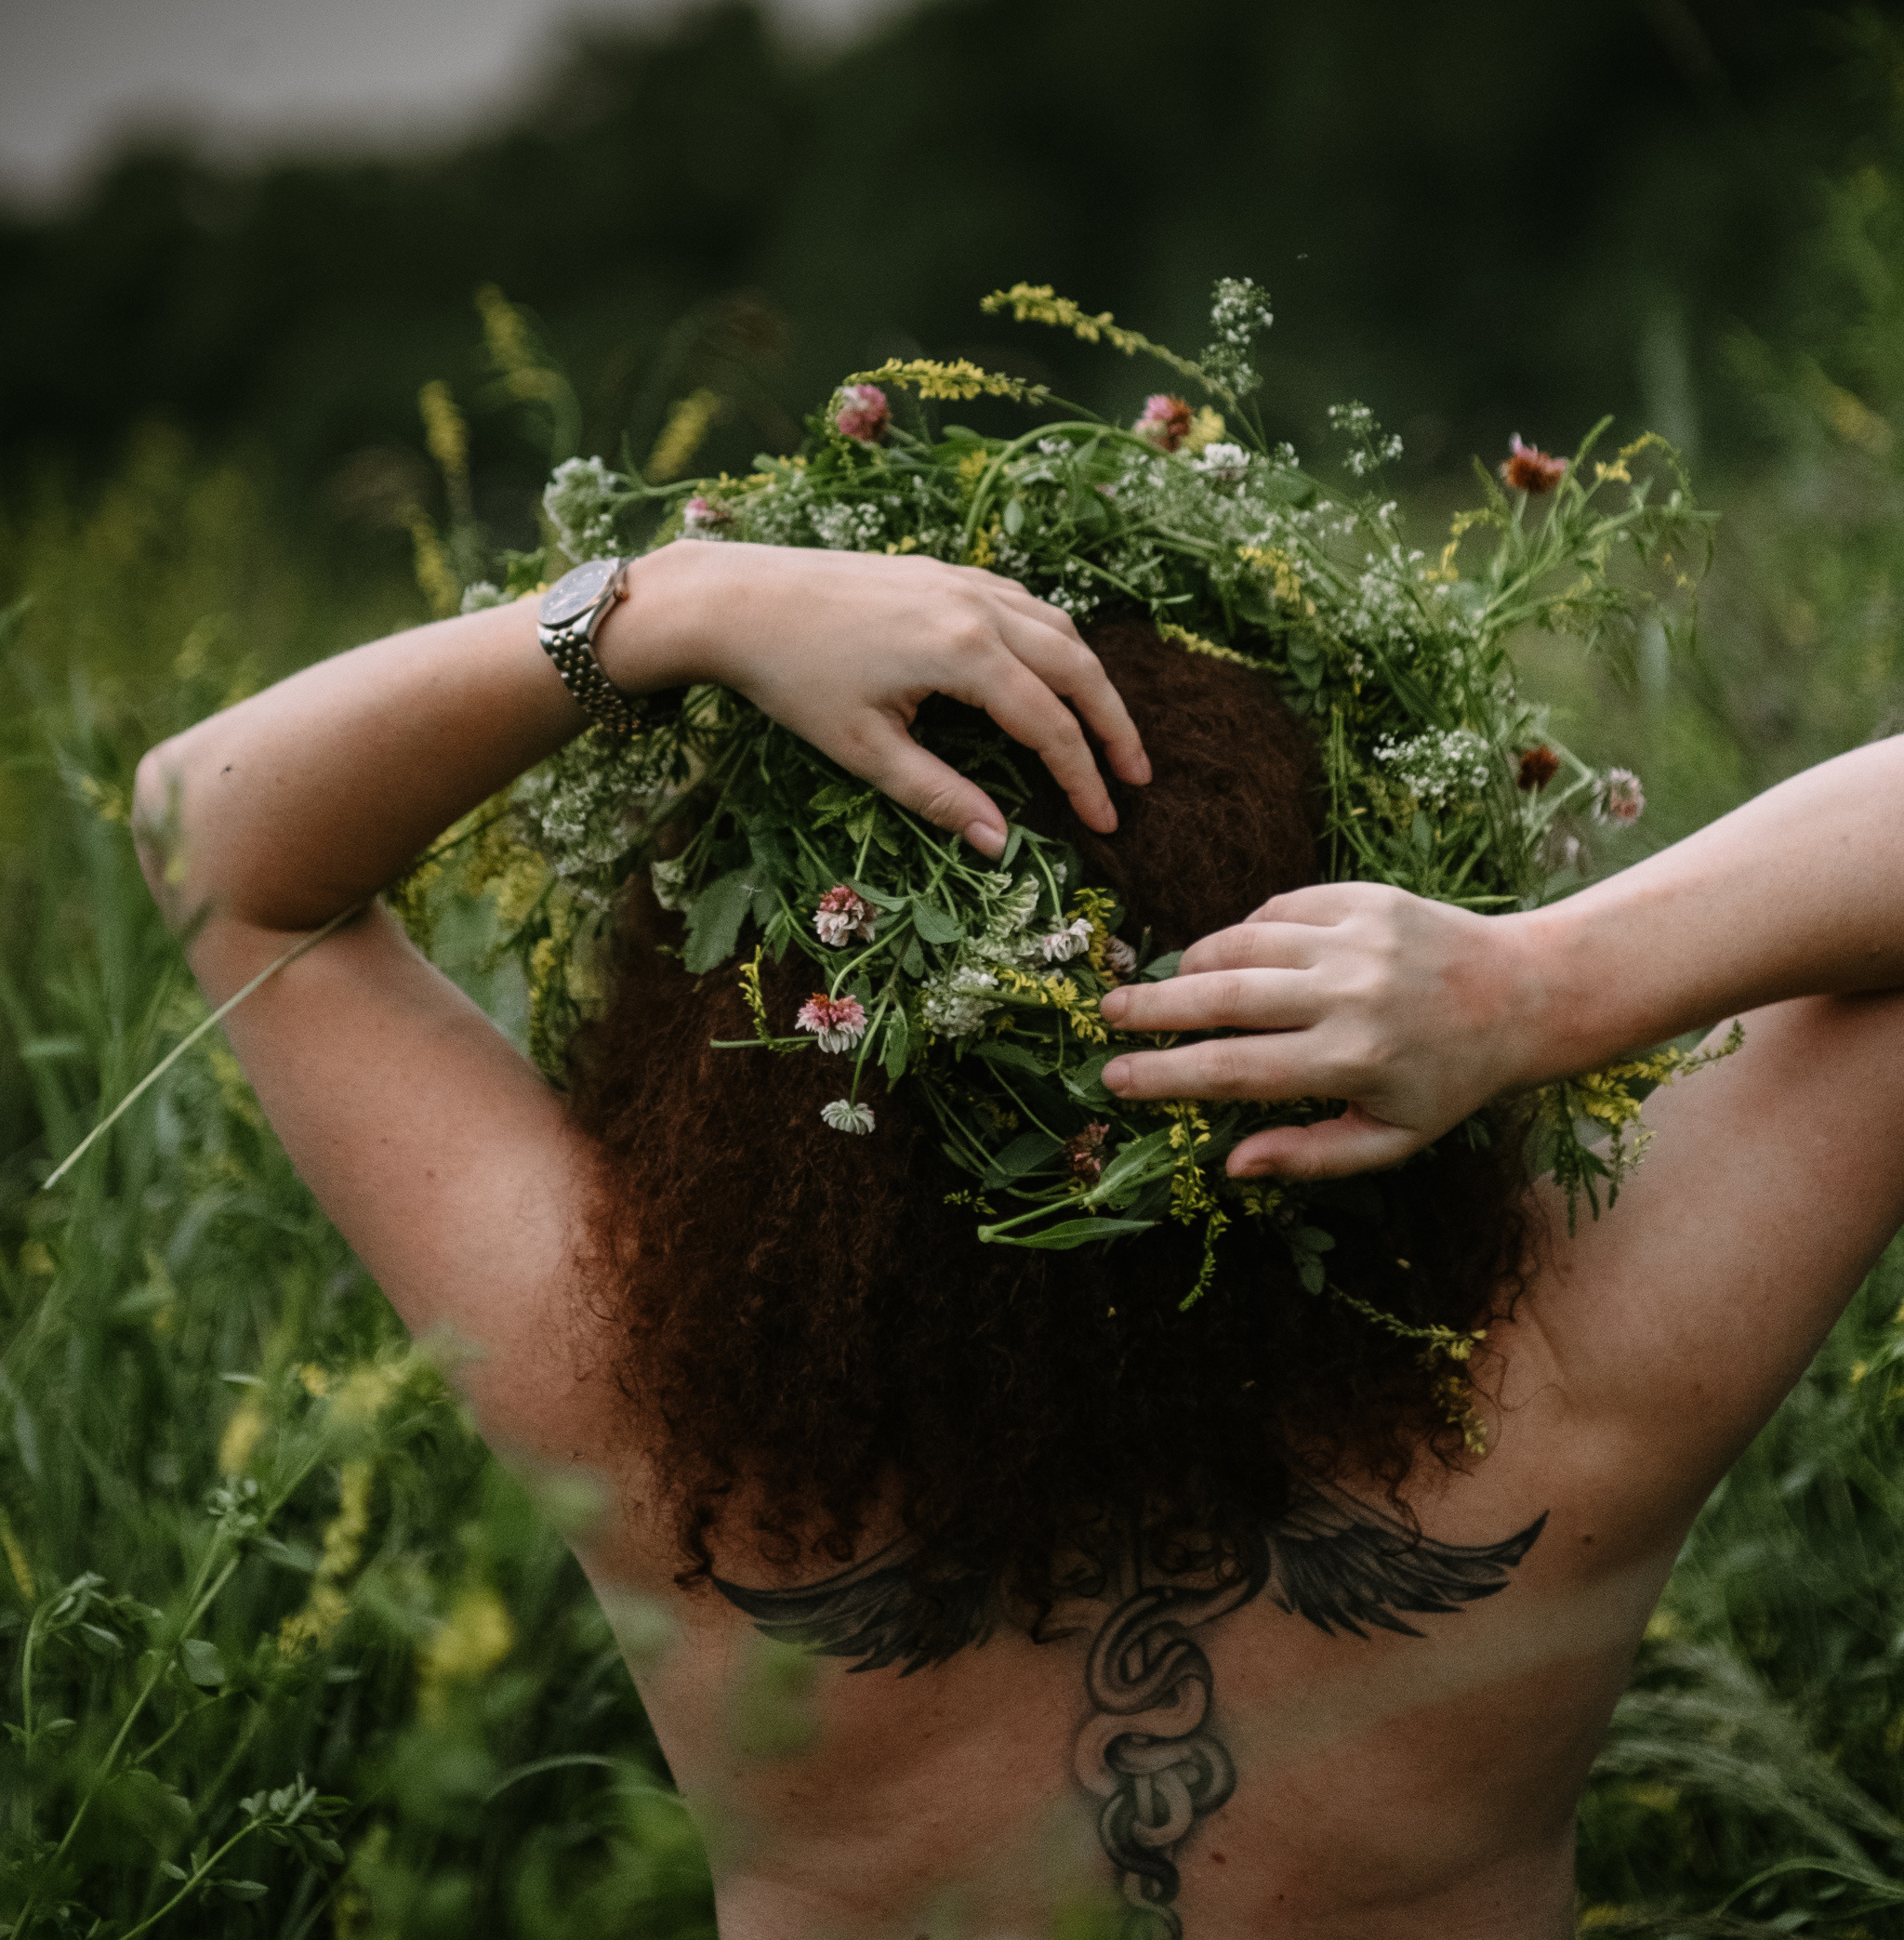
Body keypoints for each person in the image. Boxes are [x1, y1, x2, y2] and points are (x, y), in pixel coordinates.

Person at [133, 536, 1904, 1940]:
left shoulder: (663, 1425)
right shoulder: (1559, 1392)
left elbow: (208, 833)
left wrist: (678, 604)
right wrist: (1541, 985)